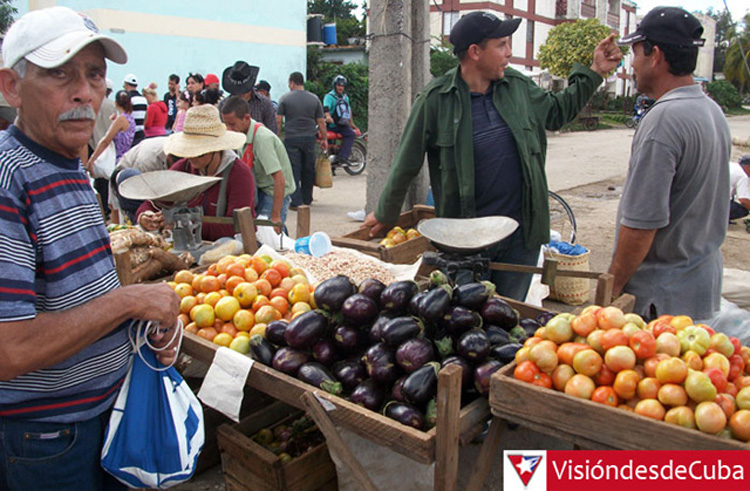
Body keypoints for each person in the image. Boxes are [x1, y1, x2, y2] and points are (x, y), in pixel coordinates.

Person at [0, 7, 180, 490]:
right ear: (11, 87)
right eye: (60, 75)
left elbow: (78, 296)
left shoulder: (67, 165)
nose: (84, 92)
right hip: (44, 440)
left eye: (95, 74)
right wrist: (128, 301)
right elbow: (8, 350)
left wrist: (141, 327)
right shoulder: (8, 181)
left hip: (105, 414)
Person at [363, 11, 621, 301]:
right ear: (475, 51)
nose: (509, 52)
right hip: (464, 239)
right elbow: (406, 162)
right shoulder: (436, 99)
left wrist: (595, 72)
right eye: (501, 44)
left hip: (520, 238)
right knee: (465, 320)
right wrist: (385, 213)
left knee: (510, 316)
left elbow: (557, 112)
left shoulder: (518, 87)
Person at [608, 7, 731, 321]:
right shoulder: (711, 111)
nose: (632, 63)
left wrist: (612, 288)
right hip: (699, 289)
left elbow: (641, 225)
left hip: (661, 301)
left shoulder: (664, 120)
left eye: (635, 53)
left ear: (655, 55)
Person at [136, 104, 254, 241]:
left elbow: (234, 226)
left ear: (215, 149)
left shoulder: (239, 174)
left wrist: (184, 222)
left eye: (199, 152)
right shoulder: (183, 167)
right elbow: (154, 200)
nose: (192, 157)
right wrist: (145, 215)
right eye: (189, 151)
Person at [222, 95, 296, 231]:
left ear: (246, 119)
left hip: (274, 191)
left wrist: (275, 216)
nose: (228, 129)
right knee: (259, 229)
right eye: (225, 124)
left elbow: (279, 179)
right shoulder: (242, 135)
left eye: (232, 124)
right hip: (261, 188)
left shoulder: (262, 139)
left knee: (269, 231)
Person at [276, 71, 327, 209]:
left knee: (294, 169)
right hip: (310, 138)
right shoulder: (314, 99)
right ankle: (307, 198)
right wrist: (324, 138)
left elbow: (278, 120)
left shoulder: (285, 99)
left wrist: (277, 137)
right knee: (308, 168)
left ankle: (296, 201)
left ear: (292, 83)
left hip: (292, 138)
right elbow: (321, 122)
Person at [221, 61, 278, 133]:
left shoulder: (265, 104)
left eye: (244, 91)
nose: (240, 94)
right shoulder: (223, 105)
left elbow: (272, 133)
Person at [323, 74, 355, 165]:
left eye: (342, 85)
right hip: (332, 124)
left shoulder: (345, 97)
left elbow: (349, 110)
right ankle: (342, 157)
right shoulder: (329, 97)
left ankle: (341, 157)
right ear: (335, 85)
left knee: (351, 134)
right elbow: (326, 107)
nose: (341, 87)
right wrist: (328, 116)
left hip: (342, 124)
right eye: (339, 85)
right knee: (351, 135)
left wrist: (351, 123)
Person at [123, 73, 147, 145]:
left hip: (130, 134)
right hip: (141, 134)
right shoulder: (144, 99)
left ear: (126, 85)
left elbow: (125, 116)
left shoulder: (128, 99)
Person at [729, 155, 750, 221]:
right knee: (743, 210)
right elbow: (743, 200)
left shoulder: (731, 165)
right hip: (714, 203)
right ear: (748, 167)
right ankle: (720, 218)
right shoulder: (742, 176)